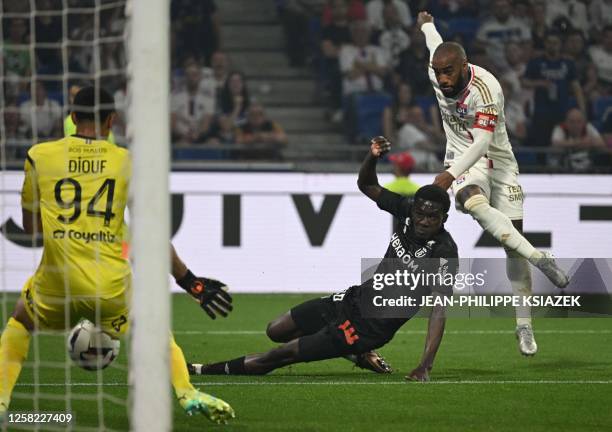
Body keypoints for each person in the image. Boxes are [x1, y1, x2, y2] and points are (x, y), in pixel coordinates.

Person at [0, 87, 235, 424]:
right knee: (154, 329)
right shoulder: (127, 162)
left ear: (71, 117)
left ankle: (1, 402)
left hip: (56, 283)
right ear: (112, 120)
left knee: (21, 320)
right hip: (111, 288)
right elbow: (151, 236)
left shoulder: (39, 154)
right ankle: (186, 393)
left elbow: (31, 229)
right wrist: (192, 284)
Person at [188, 137, 458, 382]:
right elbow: (367, 184)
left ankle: (200, 369)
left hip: (367, 327)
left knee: (277, 355)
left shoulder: (444, 252)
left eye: (431, 217)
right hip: (351, 299)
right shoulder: (406, 210)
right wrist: (372, 157)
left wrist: (425, 366)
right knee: (276, 329)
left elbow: (438, 311)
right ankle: (359, 355)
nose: (423, 221)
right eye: (420, 213)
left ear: (444, 218)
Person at [417, 11, 570, 357]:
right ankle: (541, 257)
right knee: (472, 201)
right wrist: (426, 23)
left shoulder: (487, 89)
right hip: (463, 161)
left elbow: (482, 144)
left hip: (498, 163)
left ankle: (523, 325)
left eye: (448, 72)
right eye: (438, 72)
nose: (442, 79)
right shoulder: (437, 66)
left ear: (464, 65)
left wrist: (447, 176)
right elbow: (434, 43)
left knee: (511, 247)